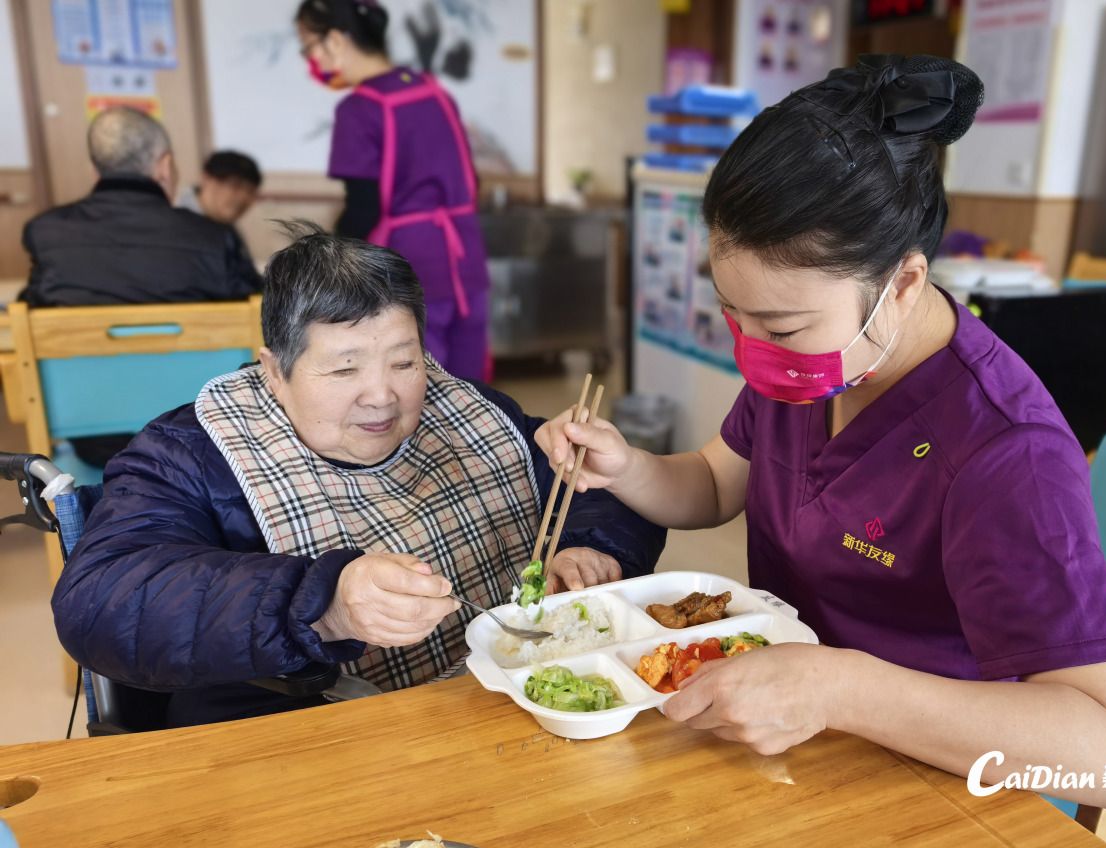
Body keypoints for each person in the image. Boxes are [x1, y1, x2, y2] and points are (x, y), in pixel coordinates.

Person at [536, 56, 1106, 810]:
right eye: (735, 316)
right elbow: (715, 480)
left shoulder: (1005, 451)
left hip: (929, 787)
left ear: (904, 283)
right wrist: (626, 466)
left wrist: (841, 684)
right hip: (778, 744)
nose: (753, 349)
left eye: (782, 325)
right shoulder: (821, 365)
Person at [51, 225, 665, 728]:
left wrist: (591, 548)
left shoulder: (468, 410)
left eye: (404, 361)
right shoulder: (190, 452)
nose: (383, 396)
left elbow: (590, 485)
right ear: (273, 369)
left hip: (505, 709)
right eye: (344, 370)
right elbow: (100, 600)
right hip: (311, 729)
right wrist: (323, 605)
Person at [21, 107, 264, 467]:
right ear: (164, 166)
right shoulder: (214, 239)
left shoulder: (46, 233)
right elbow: (260, 317)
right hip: (200, 441)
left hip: (95, 450)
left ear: (95, 170)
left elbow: (27, 314)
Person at [296, 0, 490, 381]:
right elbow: (473, 180)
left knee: (417, 389)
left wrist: (327, 267)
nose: (311, 60)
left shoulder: (360, 108)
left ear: (335, 41)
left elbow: (363, 209)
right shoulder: (434, 91)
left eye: (309, 47)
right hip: (465, 258)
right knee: (469, 393)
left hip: (408, 264)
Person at [177, 149, 263, 228]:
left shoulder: (222, 223)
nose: (243, 197)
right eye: (235, 185)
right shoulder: (176, 226)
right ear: (206, 179)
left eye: (251, 191)